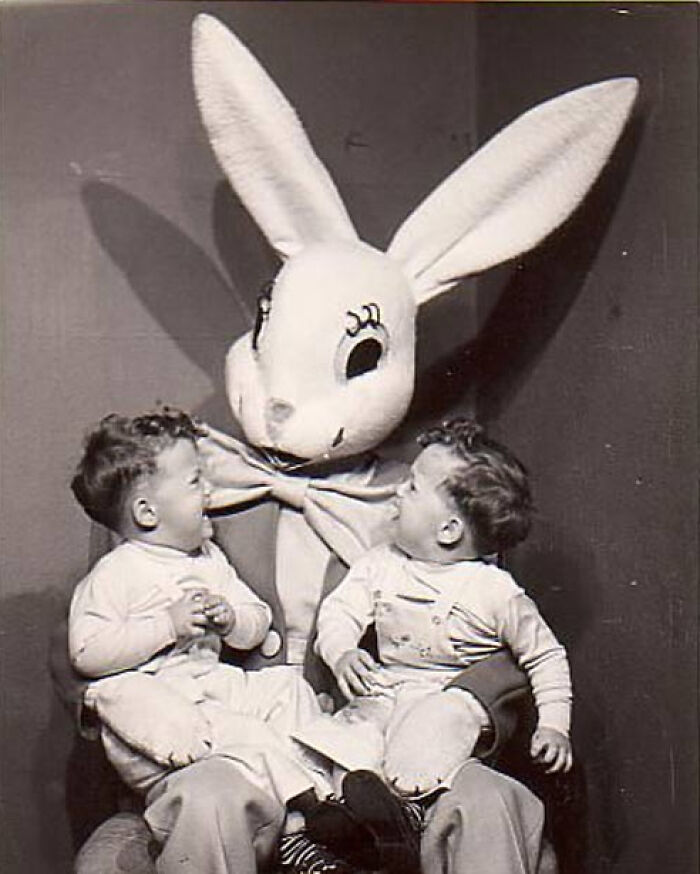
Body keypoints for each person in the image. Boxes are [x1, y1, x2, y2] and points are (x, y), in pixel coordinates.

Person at [68, 408, 366, 867]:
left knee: (286, 687)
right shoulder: (117, 573)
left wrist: (230, 619)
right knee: (245, 737)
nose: (209, 491)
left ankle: (336, 789)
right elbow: (87, 653)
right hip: (164, 712)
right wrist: (166, 625)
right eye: (193, 483)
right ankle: (300, 824)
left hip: (211, 686)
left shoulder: (206, 558)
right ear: (147, 512)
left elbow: (257, 623)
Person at [294, 418, 572, 871]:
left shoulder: (494, 592)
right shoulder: (379, 564)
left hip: (447, 702)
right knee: (348, 748)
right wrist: (342, 650)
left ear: (448, 530)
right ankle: (363, 830)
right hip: (386, 691)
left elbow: (545, 656)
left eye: (414, 487)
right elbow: (339, 611)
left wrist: (554, 725)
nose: (398, 492)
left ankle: (403, 813)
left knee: (436, 732)